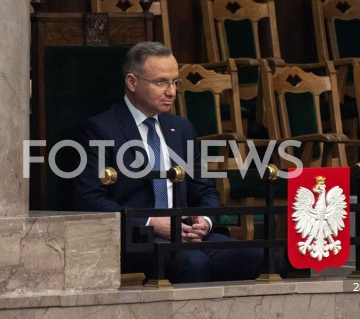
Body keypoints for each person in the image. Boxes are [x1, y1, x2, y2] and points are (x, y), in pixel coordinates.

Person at [73, 41, 286, 283]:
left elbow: (204, 191)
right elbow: (88, 199)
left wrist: (204, 222)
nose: (172, 91)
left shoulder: (182, 128)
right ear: (132, 82)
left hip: (189, 237)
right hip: (138, 240)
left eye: (175, 82)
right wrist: (152, 223)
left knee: (268, 259)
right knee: (194, 263)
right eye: (161, 82)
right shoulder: (100, 129)